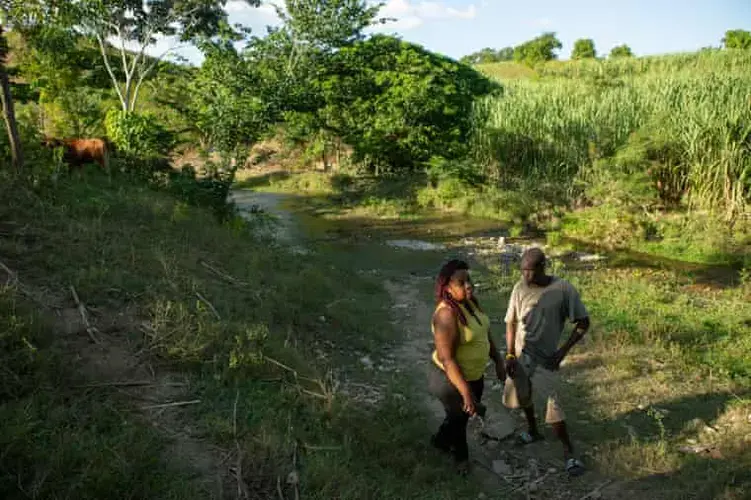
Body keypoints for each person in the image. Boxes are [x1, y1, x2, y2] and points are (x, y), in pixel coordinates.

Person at [502, 247, 590, 477]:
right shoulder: (519, 288)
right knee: (523, 395)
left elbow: (583, 322)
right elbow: (510, 322)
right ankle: (532, 431)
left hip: (547, 359)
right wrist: (510, 354)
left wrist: (562, 352)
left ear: (543, 267)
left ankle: (569, 451)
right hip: (521, 355)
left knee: (554, 405)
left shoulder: (563, 289)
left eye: (530, 272)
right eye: (523, 271)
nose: (526, 277)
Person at [428, 259, 506, 475]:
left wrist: (498, 361)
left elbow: (485, 333)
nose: (469, 285)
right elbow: (448, 360)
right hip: (448, 378)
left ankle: (439, 441)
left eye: (469, 280)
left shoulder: (470, 304)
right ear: (447, 288)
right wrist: (465, 393)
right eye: (461, 283)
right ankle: (461, 459)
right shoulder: (446, 314)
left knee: (458, 416)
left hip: (474, 375)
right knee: (461, 417)